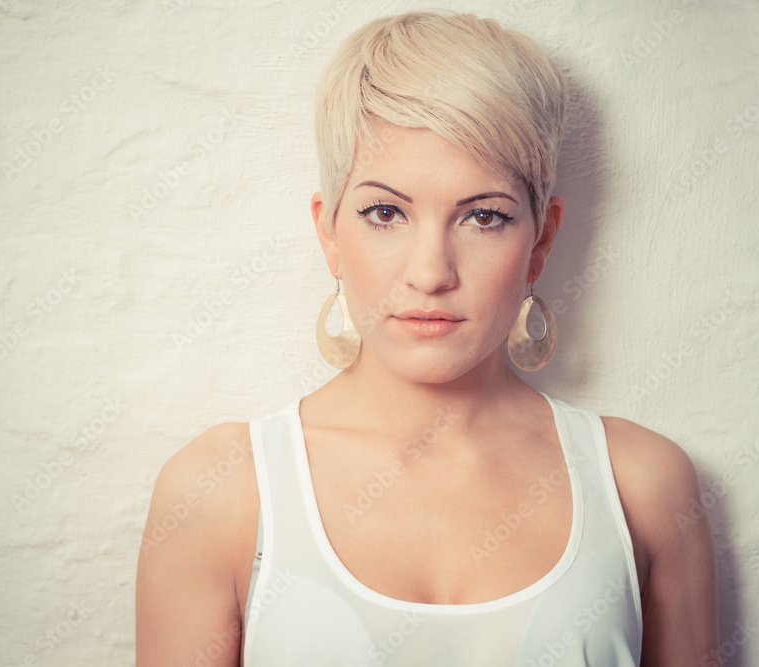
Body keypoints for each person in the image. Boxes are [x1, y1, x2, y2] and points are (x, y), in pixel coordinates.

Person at [136, 10, 718, 666]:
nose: (430, 272)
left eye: (484, 216)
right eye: (385, 213)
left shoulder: (644, 484)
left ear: (541, 242)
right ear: (329, 232)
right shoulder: (219, 489)